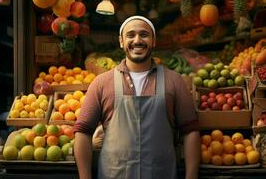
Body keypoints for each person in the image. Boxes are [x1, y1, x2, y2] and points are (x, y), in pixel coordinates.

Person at [74, 15, 200, 179]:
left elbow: (191, 132)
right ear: (121, 41)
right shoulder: (101, 83)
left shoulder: (174, 80)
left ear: (153, 41)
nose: (137, 40)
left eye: (144, 34)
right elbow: (83, 133)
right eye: (130, 35)